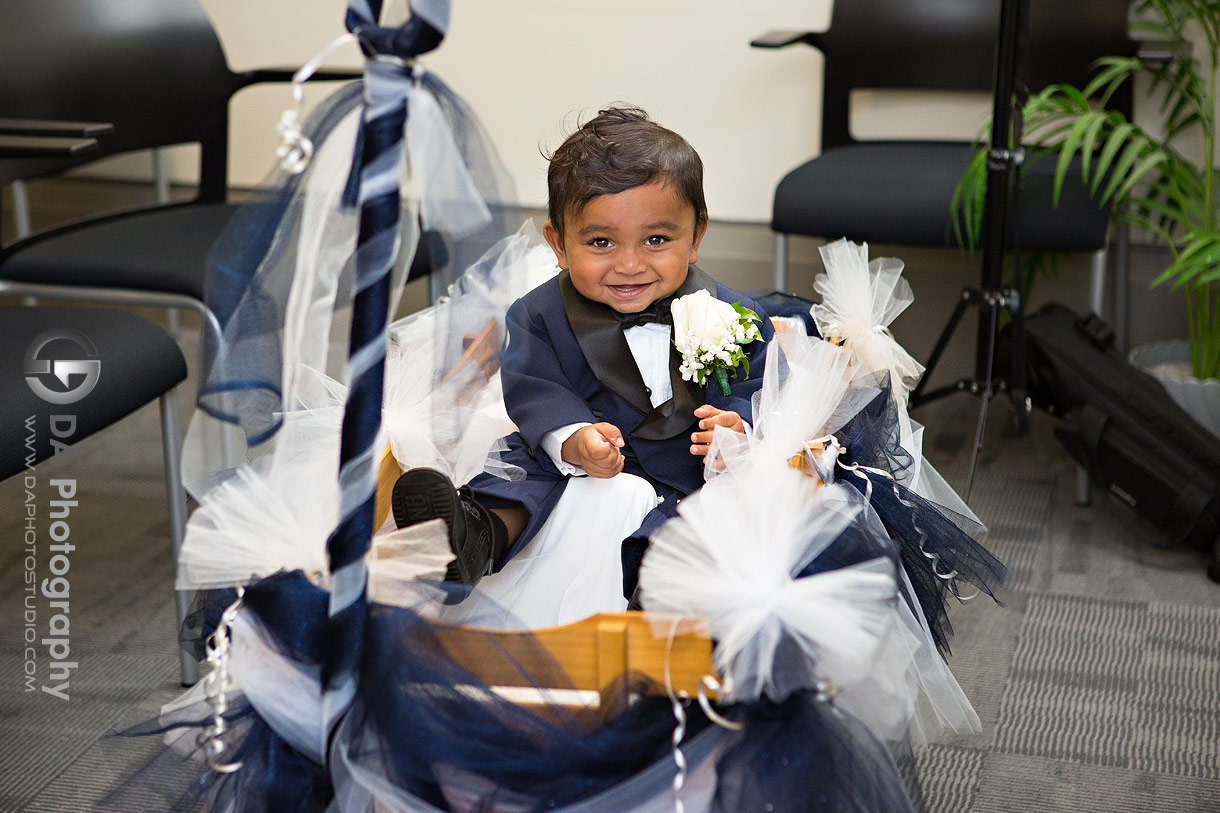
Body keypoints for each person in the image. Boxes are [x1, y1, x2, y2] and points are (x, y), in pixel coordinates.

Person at [391, 105, 773, 620]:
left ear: (697, 236)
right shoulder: (538, 314)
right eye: (601, 242)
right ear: (559, 244)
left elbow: (755, 385)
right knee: (520, 480)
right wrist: (571, 437)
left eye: (657, 240)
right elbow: (536, 387)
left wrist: (736, 428)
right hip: (581, 454)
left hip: (688, 466)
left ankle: (656, 598)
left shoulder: (735, 316)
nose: (630, 264)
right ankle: (471, 539)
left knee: (696, 522)